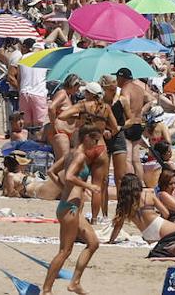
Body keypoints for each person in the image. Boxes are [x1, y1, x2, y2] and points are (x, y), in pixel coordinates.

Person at [43, 125, 101, 295]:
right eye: (95, 140)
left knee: (93, 243)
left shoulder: (70, 154)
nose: (96, 144)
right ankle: (46, 290)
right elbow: (69, 176)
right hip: (70, 209)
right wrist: (88, 185)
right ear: (86, 138)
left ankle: (74, 283)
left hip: (70, 206)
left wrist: (64, 189)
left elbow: (51, 171)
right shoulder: (80, 155)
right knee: (65, 251)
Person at [109, 173, 175, 246]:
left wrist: (111, 241)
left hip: (148, 236)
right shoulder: (148, 195)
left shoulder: (124, 203)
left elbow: (118, 226)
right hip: (158, 225)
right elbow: (166, 213)